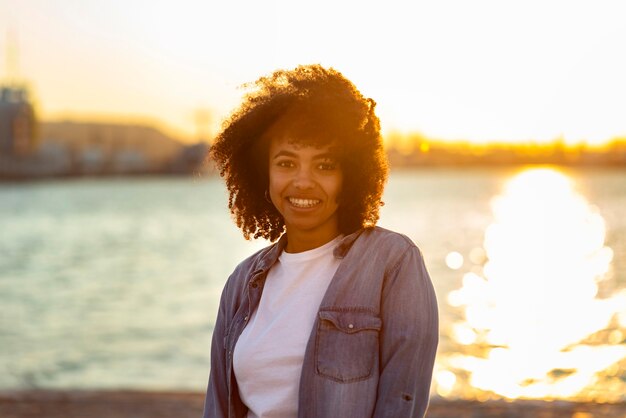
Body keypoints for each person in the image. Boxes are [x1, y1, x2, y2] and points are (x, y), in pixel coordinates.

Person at [202, 64, 438, 418]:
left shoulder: (392, 262)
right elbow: (218, 406)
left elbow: (401, 399)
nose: (302, 182)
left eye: (325, 165)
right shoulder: (242, 283)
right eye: (286, 163)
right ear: (261, 172)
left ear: (352, 174)